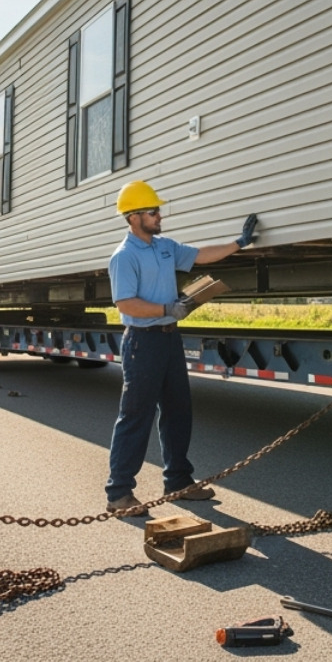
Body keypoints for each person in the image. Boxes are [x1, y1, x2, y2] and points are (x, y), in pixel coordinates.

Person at [104, 180, 258, 514]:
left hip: (169, 339)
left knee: (178, 411)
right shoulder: (124, 256)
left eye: (158, 210)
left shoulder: (164, 246)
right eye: (152, 211)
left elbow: (200, 255)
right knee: (135, 416)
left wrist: (238, 243)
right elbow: (126, 303)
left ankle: (178, 483)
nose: (159, 215)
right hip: (142, 343)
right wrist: (165, 309)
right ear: (133, 217)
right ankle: (119, 493)